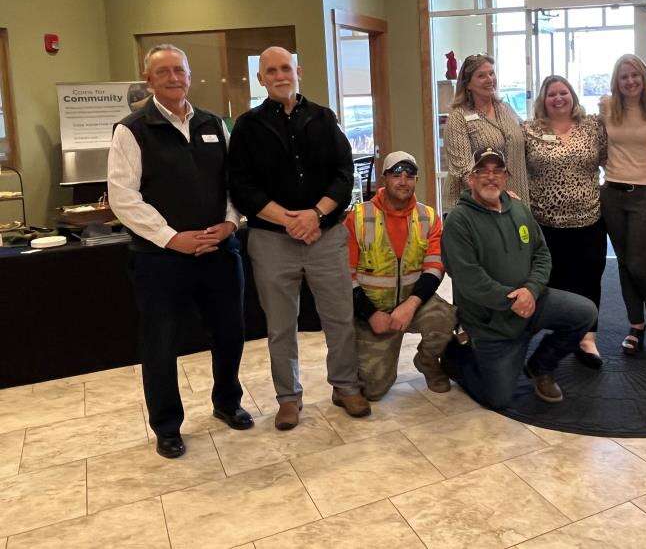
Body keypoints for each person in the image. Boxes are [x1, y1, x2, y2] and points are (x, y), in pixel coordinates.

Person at [108, 44, 252, 459]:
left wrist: (229, 223)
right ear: (149, 78)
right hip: (161, 259)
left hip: (220, 252)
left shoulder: (214, 125)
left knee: (230, 333)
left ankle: (227, 402)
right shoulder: (132, 130)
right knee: (160, 343)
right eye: (164, 72)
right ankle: (167, 426)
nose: (173, 78)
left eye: (179, 71)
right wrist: (172, 237)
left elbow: (233, 183)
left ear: (189, 76)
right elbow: (123, 197)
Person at [228, 46, 369, 430]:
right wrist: (288, 220)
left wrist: (316, 214)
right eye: (270, 70)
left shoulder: (324, 118)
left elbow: (344, 175)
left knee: (339, 317)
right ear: (261, 79)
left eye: (285, 68)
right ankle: (288, 397)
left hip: (325, 235)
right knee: (281, 325)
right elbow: (242, 186)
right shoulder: (246, 127)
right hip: (271, 240)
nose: (279, 75)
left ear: (298, 71)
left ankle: (345, 386)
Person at [441, 147, 597, 409]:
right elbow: (469, 279)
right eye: (483, 171)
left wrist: (531, 291)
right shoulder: (459, 220)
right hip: (491, 321)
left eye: (498, 171)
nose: (491, 177)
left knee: (585, 312)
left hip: (531, 304)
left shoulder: (520, 210)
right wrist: (512, 300)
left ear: (506, 177)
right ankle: (457, 360)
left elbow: (542, 255)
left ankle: (540, 366)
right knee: (498, 399)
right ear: (471, 178)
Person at [347, 151, 456, 401]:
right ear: (384, 178)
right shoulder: (359, 217)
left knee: (445, 318)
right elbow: (346, 275)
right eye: (396, 174)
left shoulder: (428, 216)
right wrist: (371, 313)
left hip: (413, 303)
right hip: (373, 311)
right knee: (373, 391)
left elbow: (434, 268)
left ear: (416, 180)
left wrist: (410, 305)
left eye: (409, 175)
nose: (403, 181)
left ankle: (427, 362)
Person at [524, 75, 608, 367]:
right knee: (553, 280)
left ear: (572, 96)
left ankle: (588, 339)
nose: (558, 98)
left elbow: (610, 160)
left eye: (563, 93)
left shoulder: (593, 127)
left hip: (589, 219)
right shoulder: (529, 130)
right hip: (546, 223)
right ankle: (560, 333)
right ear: (543, 101)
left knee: (588, 278)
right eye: (551, 94)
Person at [599, 54, 646, 354]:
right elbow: (599, 144)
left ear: (643, 77)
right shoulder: (606, 106)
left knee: (640, 263)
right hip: (612, 193)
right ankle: (635, 325)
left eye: (635, 75)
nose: (630, 81)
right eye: (624, 76)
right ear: (617, 80)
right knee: (625, 264)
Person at [442, 54, 529, 210]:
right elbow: (463, 170)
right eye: (481, 76)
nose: (490, 79)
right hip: (474, 207)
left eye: (491, 73)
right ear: (467, 84)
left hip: (513, 200)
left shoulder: (506, 109)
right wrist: (499, 194)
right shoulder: (459, 117)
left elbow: (526, 139)